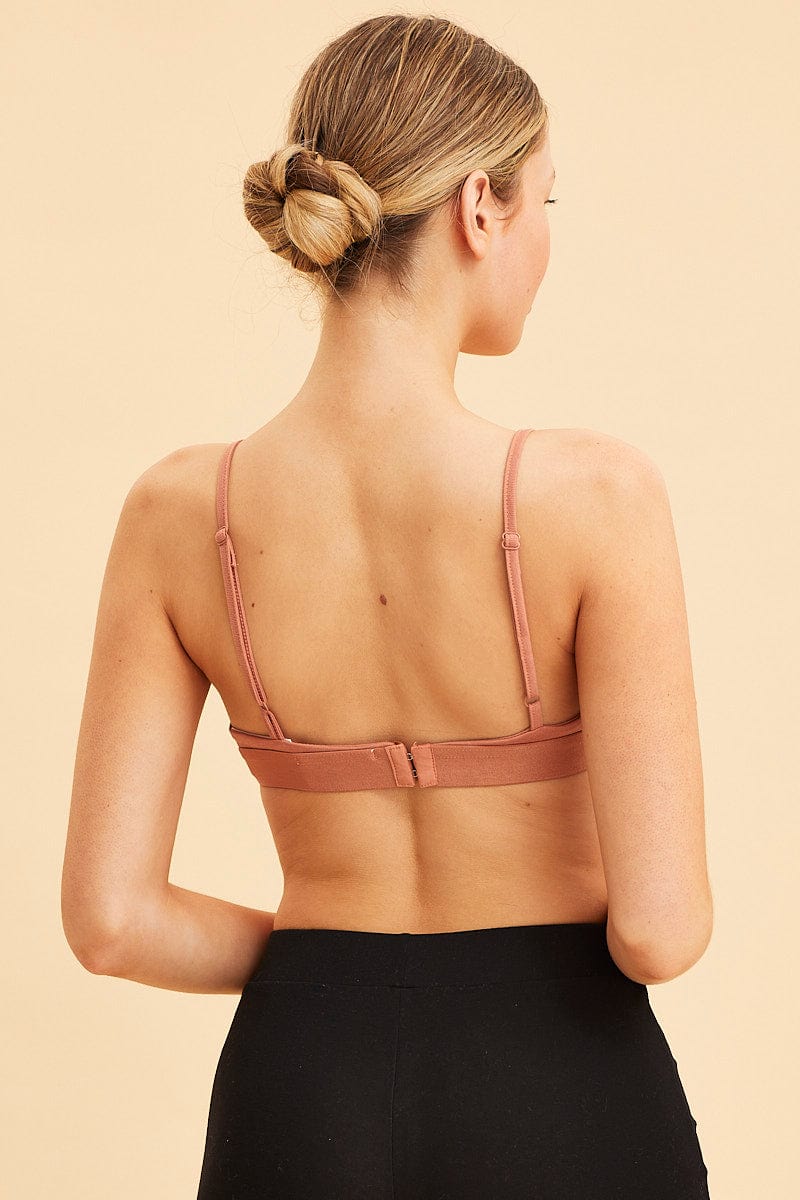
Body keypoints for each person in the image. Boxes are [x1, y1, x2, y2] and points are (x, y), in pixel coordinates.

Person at [61, 12, 714, 1199]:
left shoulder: (173, 512)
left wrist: (325, 962)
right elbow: (657, 931)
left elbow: (111, 922)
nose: (545, 239)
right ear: (479, 209)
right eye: (545, 201)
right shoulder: (596, 497)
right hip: (560, 1085)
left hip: (301, 1083)